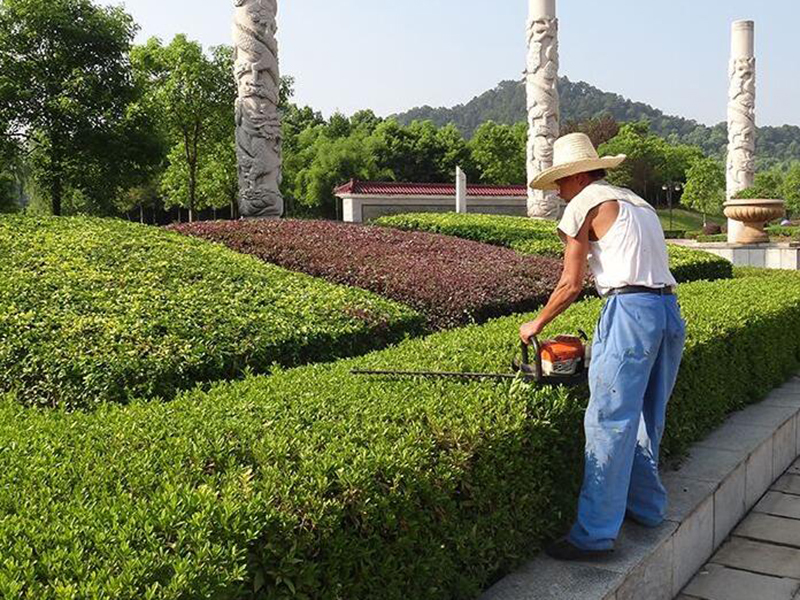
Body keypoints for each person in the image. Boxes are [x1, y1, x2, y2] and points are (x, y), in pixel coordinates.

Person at [519, 133, 686, 560]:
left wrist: (535, 323)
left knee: (608, 422)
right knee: (647, 418)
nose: (557, 191)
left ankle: (593, 536)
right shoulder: (635, 200)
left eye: (559, 182)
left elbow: (571, 283)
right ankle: (648, 509)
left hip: (629, 311)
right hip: (667, 310)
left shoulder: (584, 203)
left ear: (576, 176)